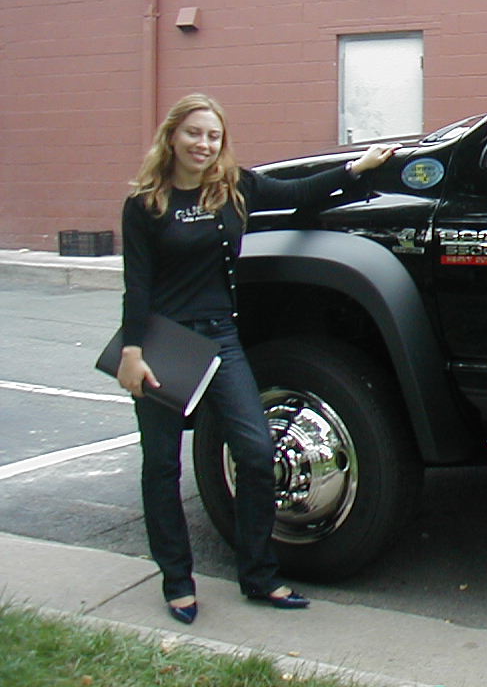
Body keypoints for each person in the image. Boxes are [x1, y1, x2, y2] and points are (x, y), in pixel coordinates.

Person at [117, 93, 398, 625]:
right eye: (194, 134)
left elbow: (298, 192)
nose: (204, 145)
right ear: (172, 137)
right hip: (165, 340)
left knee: (253, 450)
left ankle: (258, 575)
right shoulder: (146, 204)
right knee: (160, 466)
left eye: (213, 136)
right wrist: (132, 353)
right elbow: (137, 287)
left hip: (221, 336)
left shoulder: (234, 188)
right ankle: (177, 580)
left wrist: (355, 168)